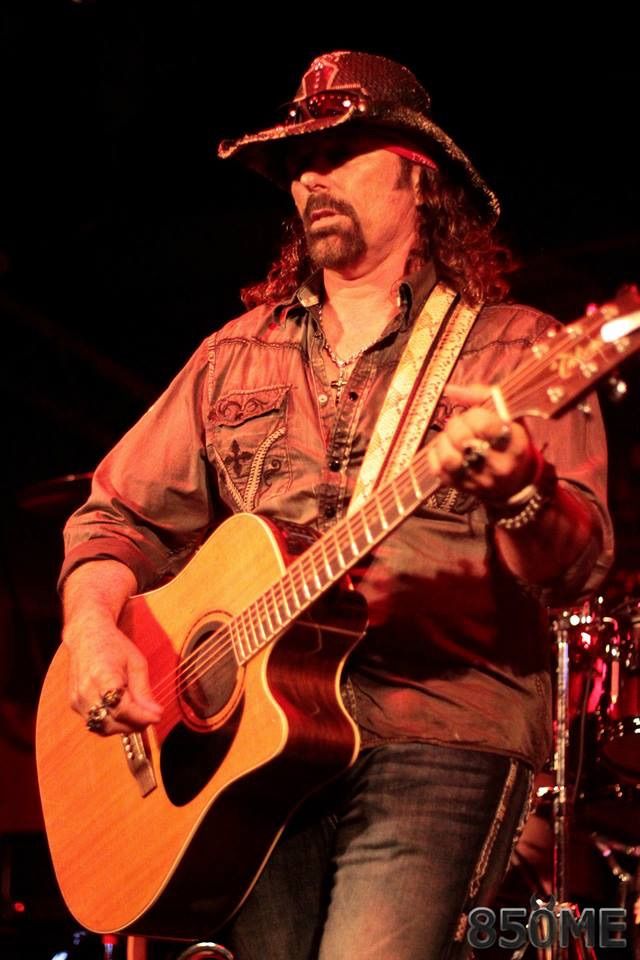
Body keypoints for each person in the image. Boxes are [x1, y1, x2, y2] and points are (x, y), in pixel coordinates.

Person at [58, 51, 612, 960]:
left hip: (436, 728)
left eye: (340, 153)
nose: (311, 178)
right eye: (298, 163)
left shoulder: (517, 351)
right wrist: (92, 632)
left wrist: (522, 490)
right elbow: (114, 518)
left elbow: (578, 564)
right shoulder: (234, 354)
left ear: (421, 178)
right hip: (257, 755)